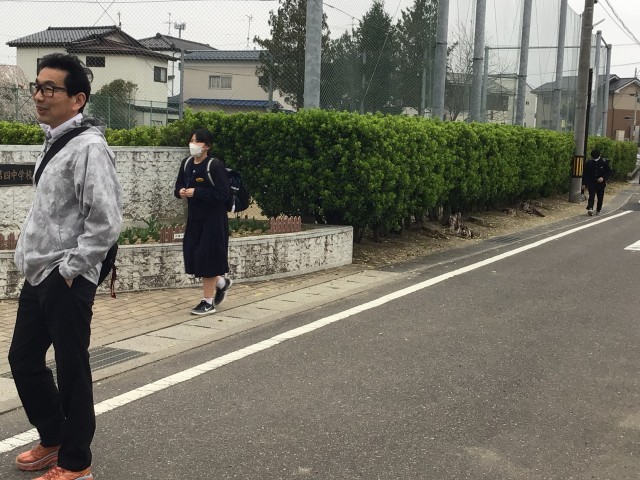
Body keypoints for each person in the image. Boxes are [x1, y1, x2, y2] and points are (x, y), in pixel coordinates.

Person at [8, 53, 122, 480]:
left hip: (65, 276)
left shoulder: (89, 147)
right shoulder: (56, 139)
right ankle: (53, 437)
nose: (39, 96)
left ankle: (76, 462)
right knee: (23, 358)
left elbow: (105, 221)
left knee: (72, 367)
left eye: (50, 88)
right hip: (40, 273)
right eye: (37, 87)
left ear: (77, 99)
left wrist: (70, 269)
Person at [174, 128, 233, 315]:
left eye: (197, 141)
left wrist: (197, 192)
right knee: (195, 257)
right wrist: (181, 192)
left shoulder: (214, 166)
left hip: (213, 220)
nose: (193, 144)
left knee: (208, 259)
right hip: (194, 218)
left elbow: (223, 194)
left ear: (207, 146)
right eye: (192, 140)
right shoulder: (187, 164)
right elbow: (178, 184)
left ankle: (207, 302)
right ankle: (221, 283)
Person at [584, 148, 612, 216]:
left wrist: (603, 178)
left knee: (600, 197)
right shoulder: (589, 163)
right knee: (591, 195)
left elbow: (609, 172)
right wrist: (584, 183)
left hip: (601, 183)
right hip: (592, 181)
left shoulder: (603, 162)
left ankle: (598, 209)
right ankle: (590, 208)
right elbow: (586, 173)